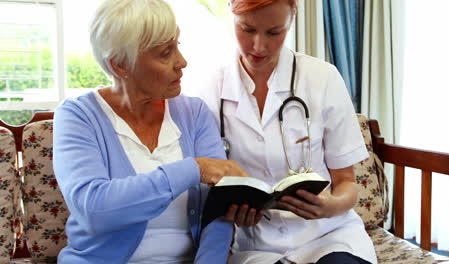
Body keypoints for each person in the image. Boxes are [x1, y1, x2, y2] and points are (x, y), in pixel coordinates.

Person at [52, 0, 248, 263]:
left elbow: (218, 208)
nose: (182, 62)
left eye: (177, 45)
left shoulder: (195, 113)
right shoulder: (78, 116)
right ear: (120, 65)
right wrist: (194, 168)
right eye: (165, 53)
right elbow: (95, 209)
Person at [200, 0, 378, 263]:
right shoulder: (212, 89)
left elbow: (347, 183)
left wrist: (331, 207)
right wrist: (232, 212)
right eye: (247, 29)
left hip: (329, 238)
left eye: (274, 32)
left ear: (291, 21)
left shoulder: (322, 78)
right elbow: (209, 187)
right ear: (230, 15)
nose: (259, 46)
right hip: (257, 247)